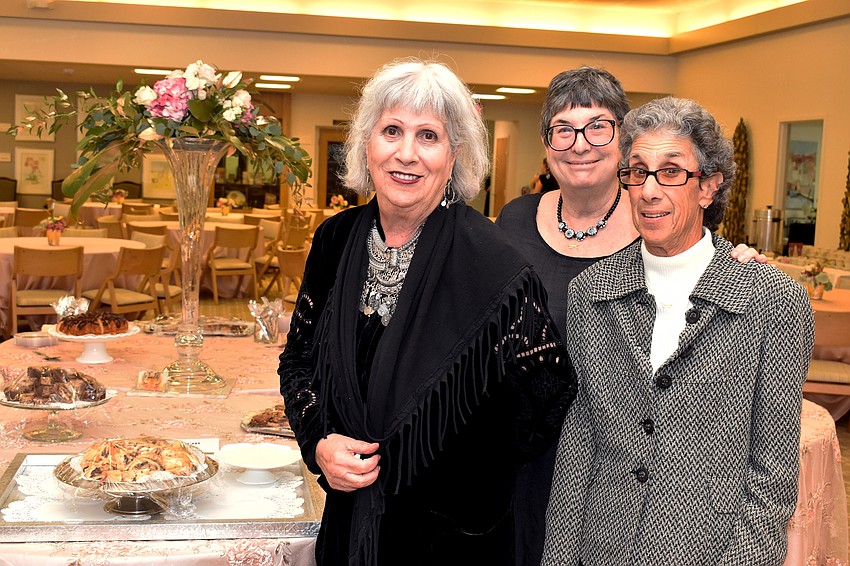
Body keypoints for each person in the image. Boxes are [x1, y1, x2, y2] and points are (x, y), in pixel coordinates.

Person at [278, 58, 576, 566]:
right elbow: (299, 360)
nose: (407, 153)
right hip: (349, 525)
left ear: (454, 156)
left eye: (429, 136)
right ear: (367, 143)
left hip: (453, 540)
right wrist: (320, 443)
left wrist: (433, 460)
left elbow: (545, 401)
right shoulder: (335, 239)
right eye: (392, 130)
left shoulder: (493, 262)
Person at [496, 66, 765, 566]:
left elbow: (698, 258)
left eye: (598, 127)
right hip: (527, 453)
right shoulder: (513, 220)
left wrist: (738, 263)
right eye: (563, 129)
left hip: (637, 471)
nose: (580, 143)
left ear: (622, 137)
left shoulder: (655, 221)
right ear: (547, 142)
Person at [542, 96, 814, 565]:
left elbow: (772, 477)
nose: (649, 190)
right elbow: (581, 440)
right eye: (637, 171)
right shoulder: (592, 291)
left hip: (709, 552)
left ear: (708, 186)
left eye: (670, 172)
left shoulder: (770, 299)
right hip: (602, 548)